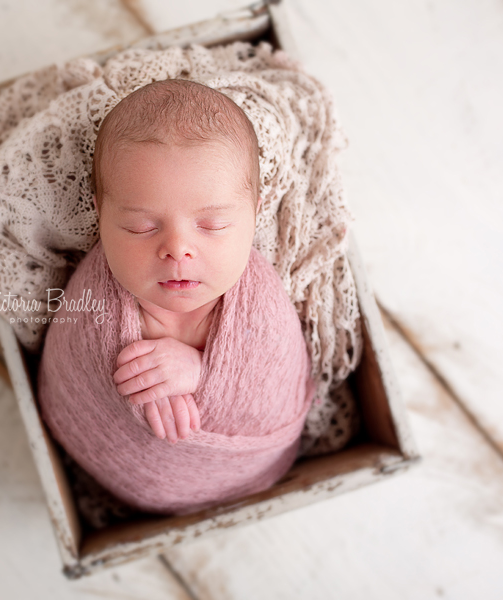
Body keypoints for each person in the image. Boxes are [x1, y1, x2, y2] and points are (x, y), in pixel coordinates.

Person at [37, 78, 314, 514]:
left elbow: (273, 377)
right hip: (117, 469)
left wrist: (204, 374)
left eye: (213, 226)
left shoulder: (259, 301)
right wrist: (134, 382)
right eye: (142, 227)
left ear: (255, 211)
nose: (177, 249)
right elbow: (73, 366)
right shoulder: (93, 301)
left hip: (249, 471)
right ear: (101, 212)